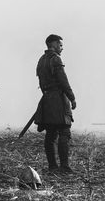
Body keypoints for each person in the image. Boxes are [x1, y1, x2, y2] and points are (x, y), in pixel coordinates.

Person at [35, 34, 77, 173]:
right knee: (64, 132)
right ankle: (64, 167)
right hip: (58, 101)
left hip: (46, 100)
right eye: (60, 45)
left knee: (50, 134)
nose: (62, 48)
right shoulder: (56, 59)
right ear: (53, 44)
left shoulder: (41, 60)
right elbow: (63, 81)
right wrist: (72, 97)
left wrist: (47, 96)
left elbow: (41, 84)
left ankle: (52, 167)